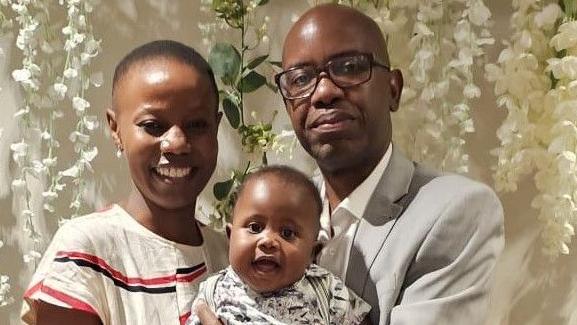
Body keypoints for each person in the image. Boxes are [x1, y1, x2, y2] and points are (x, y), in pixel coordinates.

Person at [273, 4, 505, 325]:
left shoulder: (456, 211)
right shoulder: (277, 213)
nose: (324, 92)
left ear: (393, 89)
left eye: (350, 67)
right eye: (301, 79)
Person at [21, 40, 228, 325]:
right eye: (153, 126)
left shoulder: (232, 256)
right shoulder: (84, 253)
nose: (177, 143)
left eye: (197, 125)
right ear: (115, 129)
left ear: (216, 127)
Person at [186, 165, 371, 325]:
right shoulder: (213, 291)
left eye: (287, 233)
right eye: (255, 227)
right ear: (230, 236)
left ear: (311, 254)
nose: (268, 241)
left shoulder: (327, 290)